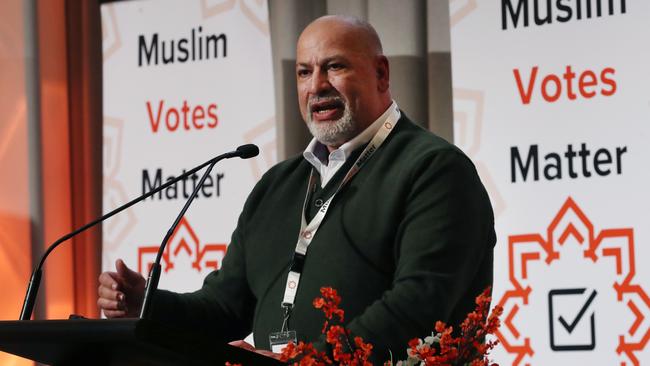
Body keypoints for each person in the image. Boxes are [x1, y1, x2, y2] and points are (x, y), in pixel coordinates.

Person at [98, 15, 495, 362]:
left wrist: (305, 362)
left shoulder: (434, 170)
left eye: (334, 67)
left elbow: (419, 306)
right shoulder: (278, 185)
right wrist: (148, 305)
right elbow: (225, 308)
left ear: (381, 74)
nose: (317, 85)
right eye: (304, 72)